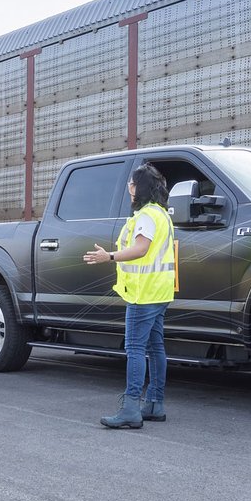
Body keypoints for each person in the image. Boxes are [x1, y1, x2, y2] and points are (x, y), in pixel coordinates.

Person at [84, 163, 175, 429]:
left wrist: (108, 256)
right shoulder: (161, 214)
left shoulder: (146, 216)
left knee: (135, 349)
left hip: (142, 293)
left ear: (140, 187)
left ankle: (131, 408)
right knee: (156, 347)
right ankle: (155, 404)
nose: (129, 189)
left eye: (132, 185)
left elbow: (140, 250)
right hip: (159, 291)